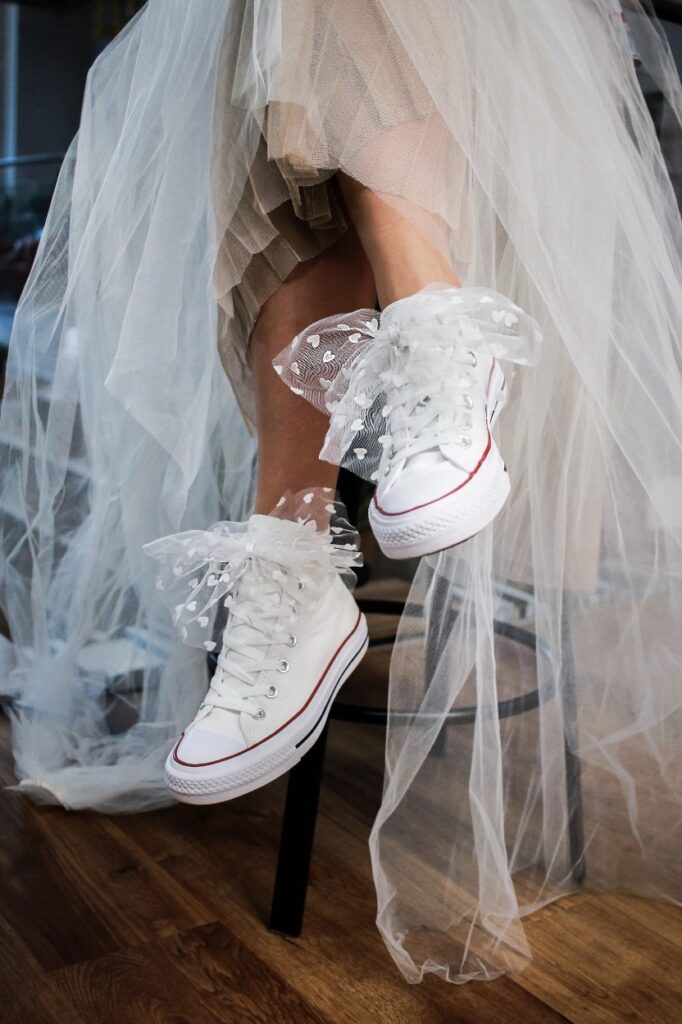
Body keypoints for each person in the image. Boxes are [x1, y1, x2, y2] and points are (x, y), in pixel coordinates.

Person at [1, 0, 682, 987]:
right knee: (283, 59)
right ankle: (431, 332)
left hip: (516, 82)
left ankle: (295, 548)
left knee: (287, 54)